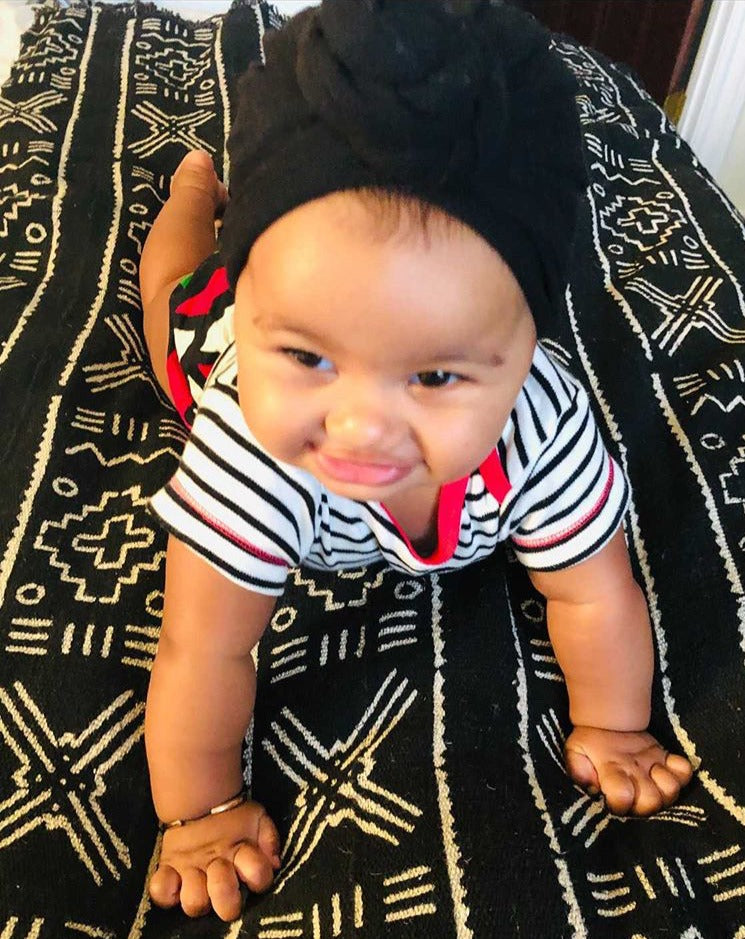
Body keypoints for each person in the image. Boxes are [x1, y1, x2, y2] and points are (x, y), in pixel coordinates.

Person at [139, 0, 693, 922]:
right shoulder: (247, 448)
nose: (359, 427)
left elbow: (595, 592)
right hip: (208, 340)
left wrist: (613, 725)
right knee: (169, 294)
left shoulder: (544, 424)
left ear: (526, 351)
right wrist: (198, 814)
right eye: (307, 355)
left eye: (434, 375)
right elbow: (204, 646)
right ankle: (193, 196)